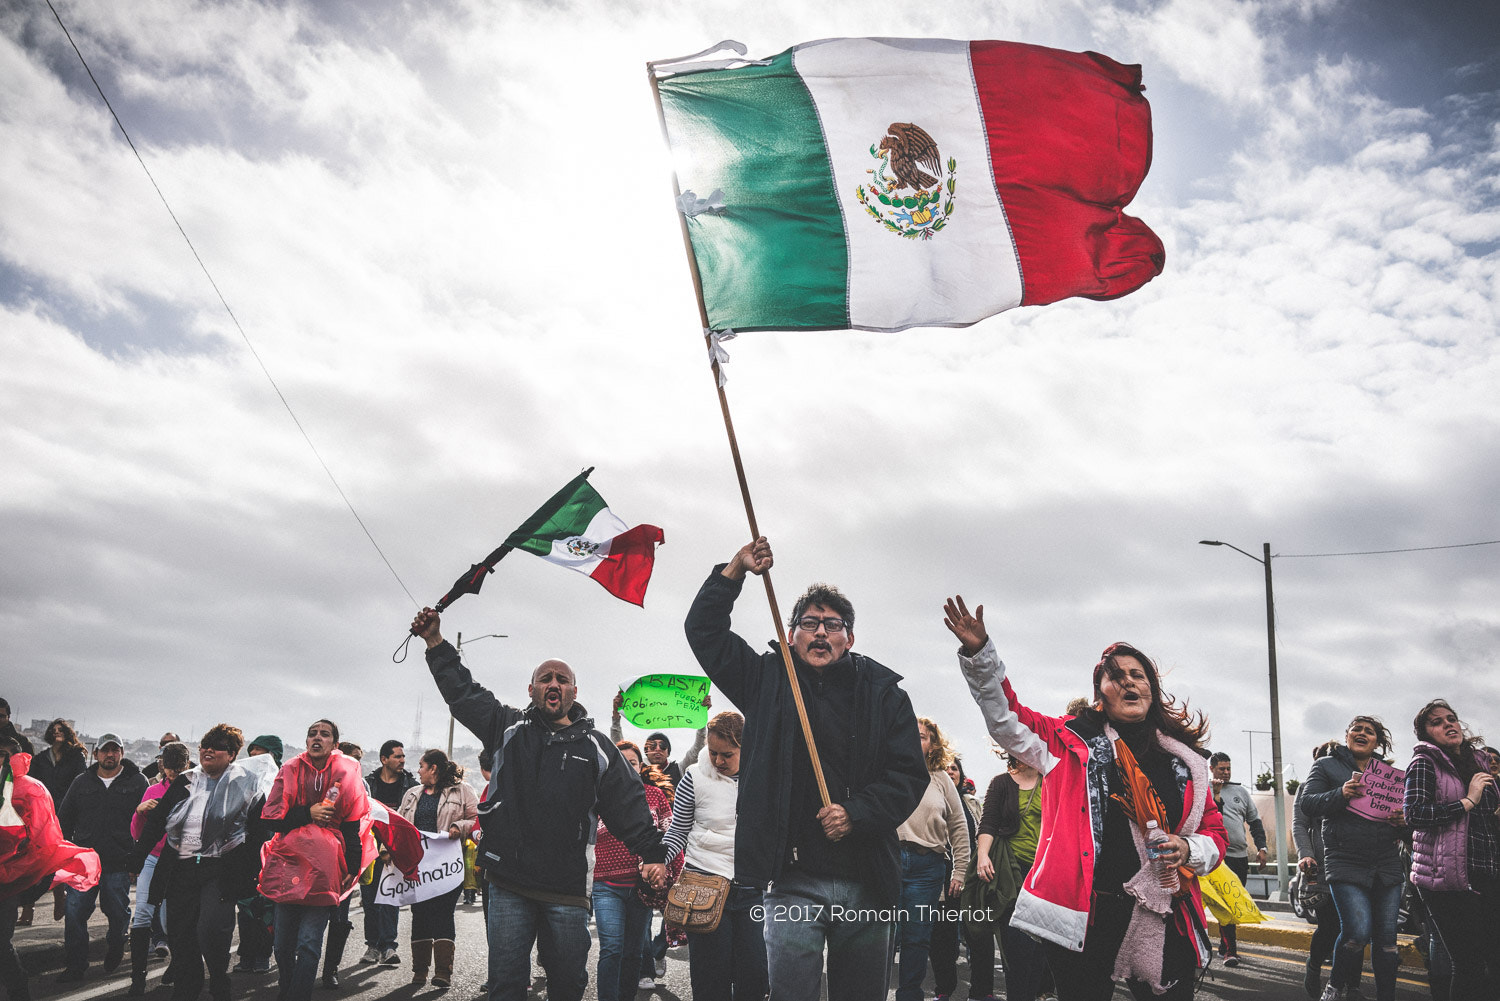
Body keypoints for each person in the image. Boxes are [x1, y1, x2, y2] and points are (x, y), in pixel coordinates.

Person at [945, 596, 1226, 1001]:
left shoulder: (1186, 763)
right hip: (1088, 916)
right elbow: (1006, 718)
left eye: (1138, 674)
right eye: (1116, 676)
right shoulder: (1067, 743)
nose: (1129, 681)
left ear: (1152, 687)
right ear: (1100, 694)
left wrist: (1188, 846)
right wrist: (979, 653)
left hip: (1164, 909)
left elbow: (1214, 832)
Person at [685, 537, 928, 1001]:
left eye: (832, 625)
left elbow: (908, 776)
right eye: (809, 623)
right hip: (793, 881)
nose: (820, 633)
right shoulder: (765, 680)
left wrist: (856, 812)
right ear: (790, 634)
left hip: (867, 881)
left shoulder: (884, 694)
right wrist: (735, 570)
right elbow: (704, 631)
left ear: (849, 638)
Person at [409, 606, 667, 1001]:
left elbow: (628, 803)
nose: (554, 683)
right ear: (531, 689)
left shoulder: (597, 747)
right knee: (507, 985)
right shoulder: (507, 728)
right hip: (509, 883)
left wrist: (651, 853)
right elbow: (464, 694)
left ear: (574, 693)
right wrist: (434, 643)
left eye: (562, 679)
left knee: (567, 984)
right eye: (545, 677)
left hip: (566, 889)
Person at [131, 723, 273, 1001]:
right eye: (205, 745)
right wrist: (137, 857)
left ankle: (219, 978)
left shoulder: (245, 783)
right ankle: (187, 988)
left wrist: (254, 872)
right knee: (180, 934)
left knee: (211, 930)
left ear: (231, 754)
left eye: (217, 746)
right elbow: (159, 821)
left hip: (220, 870)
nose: (208, 750)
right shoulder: (185, 781)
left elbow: (259, 831)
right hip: (180, 868)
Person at [660, 710, 768, 1001]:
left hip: (754, 889)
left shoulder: (766, 779)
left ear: (748, 748)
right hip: (704, 885)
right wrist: (659, 860)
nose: (718, 761)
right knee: (710, 982)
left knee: (756, 978)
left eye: (727, 754)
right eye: (713, 752)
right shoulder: (693, 777)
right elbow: (678, 831)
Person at [258, 720, 368, 1001]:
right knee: (282, 945)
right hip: (289, 864)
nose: (317, 738)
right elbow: (273, 819)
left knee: (308, 943)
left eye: (324, 734)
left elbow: (351, 825)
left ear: (334, 743)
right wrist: (309, 812)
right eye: (312, 734)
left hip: (325, 868)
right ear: (306, 741)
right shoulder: (290, 770)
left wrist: (352, 867)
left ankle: (298, 995)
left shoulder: (346, 773)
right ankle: (287, 989)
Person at [1299, 716, 1405, 1001]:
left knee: (1387, 944)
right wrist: (1340, 793)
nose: (1362, 733)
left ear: (1377, 742)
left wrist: (1402, 820)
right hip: (1344, 860)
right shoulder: (1326, 765)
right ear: (1346, 736)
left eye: (1369, 731)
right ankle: (1334, 987)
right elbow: (1307, 803)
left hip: (1385, 862)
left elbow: (1403, 823)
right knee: (1356, 933)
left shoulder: (1388, 774)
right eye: (1356, 729)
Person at [1404, 699, 1500, 1001]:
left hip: (1489, 872)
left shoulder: (1480, 762)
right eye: (1437, 722)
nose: (1448, 724)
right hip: (1447, 879)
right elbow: (1415, 814)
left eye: (1451, 718)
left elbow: (1487, 819)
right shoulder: (1424, 764)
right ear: (1426, 734)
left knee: (1495, 962)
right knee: (1469, 964)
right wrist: (1467, 801)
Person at [1, 733, 98, 1001]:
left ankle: (19, 990)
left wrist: (15, 864)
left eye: (5, 755)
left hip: (10, 878)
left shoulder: (32, 789)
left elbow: (44, 837)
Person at [57, 731, 148, 982]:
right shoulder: (81, 782)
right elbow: (64, 819)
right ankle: (75, 966)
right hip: (84, 862)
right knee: (74, 913)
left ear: (122, 753)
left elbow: (148, 822)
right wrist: (66, 853)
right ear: (95, 754)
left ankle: (117, 945)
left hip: (119, 861)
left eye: (115, 750)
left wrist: (138, 857)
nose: (110, 754)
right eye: (105, 750)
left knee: (117, 912)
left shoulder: (138, 782)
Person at [893, 718, 969, 1001]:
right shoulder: (890, 769)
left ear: (933, 745)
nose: (916, 740)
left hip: (927, 868)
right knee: (881, 933)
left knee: (917, 937)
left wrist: (960, 870)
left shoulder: (941, 779)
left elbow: (959, 825)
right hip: (891, 860)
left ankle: (909, 995)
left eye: (923, 737)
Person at [589, 740, 671, 1001]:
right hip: (606, 884)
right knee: (612, 949)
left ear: (640, 766)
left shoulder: (656, 796)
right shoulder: (596, 796)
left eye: (632, 762)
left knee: (633, 952)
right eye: (620, 762)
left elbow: (670, 836)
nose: (626, 767)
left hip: (641, 888)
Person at [398, 749, 478, 989]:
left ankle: (443, 972)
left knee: (443, 913)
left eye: (422, 766)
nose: (418, 770)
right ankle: (419, 971)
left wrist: (458, 826)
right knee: (419, 914)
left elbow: (477, 819)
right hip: (419, 867)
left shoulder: (463, 791)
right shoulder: (412, 794)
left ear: (433, 768)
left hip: (447, 867)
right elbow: (401, 824)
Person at [975, 752, 1049, 1001]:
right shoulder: (1001, 782)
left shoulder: (1051, 781)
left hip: (1045, 874)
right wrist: (983, 855)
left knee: (1039, 951)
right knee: (1017, 949)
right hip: (1011, 871)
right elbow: (988, 823)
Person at [127, 741, 191, 994]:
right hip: (153, 857)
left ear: (186, 765)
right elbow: (137, 834)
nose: (173, 774)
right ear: (162, 764)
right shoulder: (152, 790)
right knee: (142, 913)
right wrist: (140, 811)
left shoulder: (195, 788)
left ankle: (177, 963)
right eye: (169, 768)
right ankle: (137, 979)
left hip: (179, 859)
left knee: (170, 919)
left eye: (178, 768)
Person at [930, 754, 994, 1001]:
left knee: (979, 934)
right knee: (943, 936)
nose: (950, 771)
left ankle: (982, 991)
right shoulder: (932, 797)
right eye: (945, 767)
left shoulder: (971, 802)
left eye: (954, 768)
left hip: (972, 875)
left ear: (960, 773)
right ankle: (944, 990)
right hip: (943, 874)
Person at [1294, 741, 1353, 1000]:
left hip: (1353, 863)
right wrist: (1305, 854)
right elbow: (1299, 824)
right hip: (1321, 865)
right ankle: (1314, 966)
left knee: (1353, 928)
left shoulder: (1354, 787)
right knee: (1329, 926)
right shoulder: (1306, 789)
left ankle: (1352, 985)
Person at [1207, 751, 1266, 968]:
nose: (1226, 772)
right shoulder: (1205, 790)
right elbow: (1214, 817)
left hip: (1240, 856)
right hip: (1218, 858)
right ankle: (1230, 951)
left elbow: (1255, 822)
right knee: (1226, 902)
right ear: (1211, 768)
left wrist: (1262, 847)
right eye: (1221, 768)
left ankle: (1225, 943)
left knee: (1234, 904)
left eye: (1228, 768)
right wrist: (1216, 793)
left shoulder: (1241, 791)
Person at [231, 735, 282, 976]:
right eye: (252, 754)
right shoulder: (242, 782)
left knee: (267, 907)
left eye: (262, 754)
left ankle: (263, 953)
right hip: (244, 854)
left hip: (273, 854)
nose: (255, 759)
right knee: (246, 906)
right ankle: (246, 954)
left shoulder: (282, 783)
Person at [27, 718, 87, 927]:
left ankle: (59, 896)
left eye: (61, 730)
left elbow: (80, 784)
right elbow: (30, 782)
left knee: (57, 857)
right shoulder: (42, 758)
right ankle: (29, 906)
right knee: (34, 857)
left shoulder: (76, 757)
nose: (57, 732)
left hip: (64, 815)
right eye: (54, 729)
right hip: (40, 813)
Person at [361, 740, 416, 966]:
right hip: (370, 850)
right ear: (384, 759)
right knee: (370, 900)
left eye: (403, 757)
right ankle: (373, 946)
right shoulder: (369, 783)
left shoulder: (411, 785)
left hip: (396, 852)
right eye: (397, 756)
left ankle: (389, 947)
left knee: (390, 899)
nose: (402, 760)